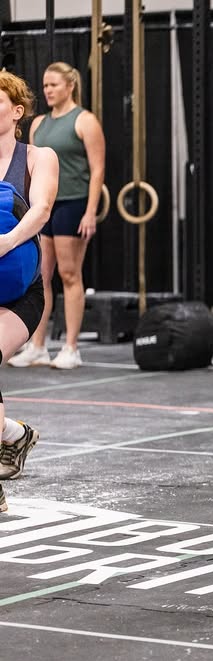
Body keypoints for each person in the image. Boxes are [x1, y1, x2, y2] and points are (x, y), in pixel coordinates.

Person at [7, 62, 104, 370]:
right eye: (45, 85)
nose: (48, 90)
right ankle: (37, 345)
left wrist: (90, 210)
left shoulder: (85, 121)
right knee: (42, 273)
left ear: (70, 86)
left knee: (70, 274)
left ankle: (71, 346)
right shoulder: (40, 125)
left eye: (54, 85)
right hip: (32, 206)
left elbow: (97, 168)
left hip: (71, 203)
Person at [0, 71, 59, 503]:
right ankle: (13, 434)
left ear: (16, 111)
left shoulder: (39, 157)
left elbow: (39, 211)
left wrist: (5, 241)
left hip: (20, 292)